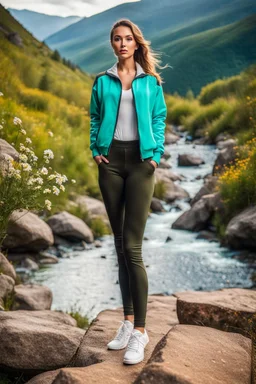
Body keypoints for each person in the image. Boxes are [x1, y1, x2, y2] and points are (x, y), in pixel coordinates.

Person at [89, 18, 167, 365]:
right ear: (113, 44)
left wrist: (155, 156)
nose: (123, 44)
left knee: (132, 248)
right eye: (117, 39)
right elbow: (94, 116)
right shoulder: (102, 81)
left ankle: (141, 332)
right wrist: (95, 148)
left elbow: (160, 118)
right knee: (119, 245)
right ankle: (126, 321)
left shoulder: (149, 82)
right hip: (111, 164)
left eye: (128, 39)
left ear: (137, 44)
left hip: (139, 163)